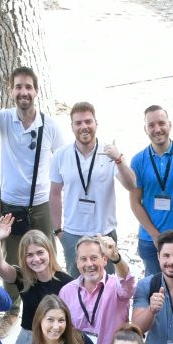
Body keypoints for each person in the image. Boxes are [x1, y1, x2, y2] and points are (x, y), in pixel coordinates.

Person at [0, 64, 59, 293]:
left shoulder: (50, 125)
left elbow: (64, 160)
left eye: (28, 87)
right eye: (18, 87)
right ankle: (13, 306)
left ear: (36, 91)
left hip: (41, 204)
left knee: (47, 254)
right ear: (10, 91)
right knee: (12, 259)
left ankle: (51, 297)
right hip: (11, 206)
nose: (23, 92)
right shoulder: (4, 118)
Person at [50, 102, 130, 272]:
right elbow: (55, 193)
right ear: (72, 126)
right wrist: (58, 230)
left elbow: (132, 185)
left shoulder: (109, 152)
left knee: (106, 287)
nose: (84, 127)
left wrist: (119, 159)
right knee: (76, 287)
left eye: (88, 121)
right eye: (78, 123)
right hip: (73, 234)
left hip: (104, 232)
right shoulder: (60, 155)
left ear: (96, 123)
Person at [127, 105, 173, 273]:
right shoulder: (138, 160)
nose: (157, 129)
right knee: (154, 288)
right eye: (151, 125)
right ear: (145, 129)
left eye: (161, 123)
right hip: (150, 238)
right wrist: (155, 235)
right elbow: (134, 202)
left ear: (169, 125)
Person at [58, 235, 135, 344]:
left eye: (94, 258)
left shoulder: (117, 286)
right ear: (77, 263)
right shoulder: (66, 292)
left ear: (105, 260)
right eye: (83, 259)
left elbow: (127, 281)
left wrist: (115, 257)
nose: (89, 264)